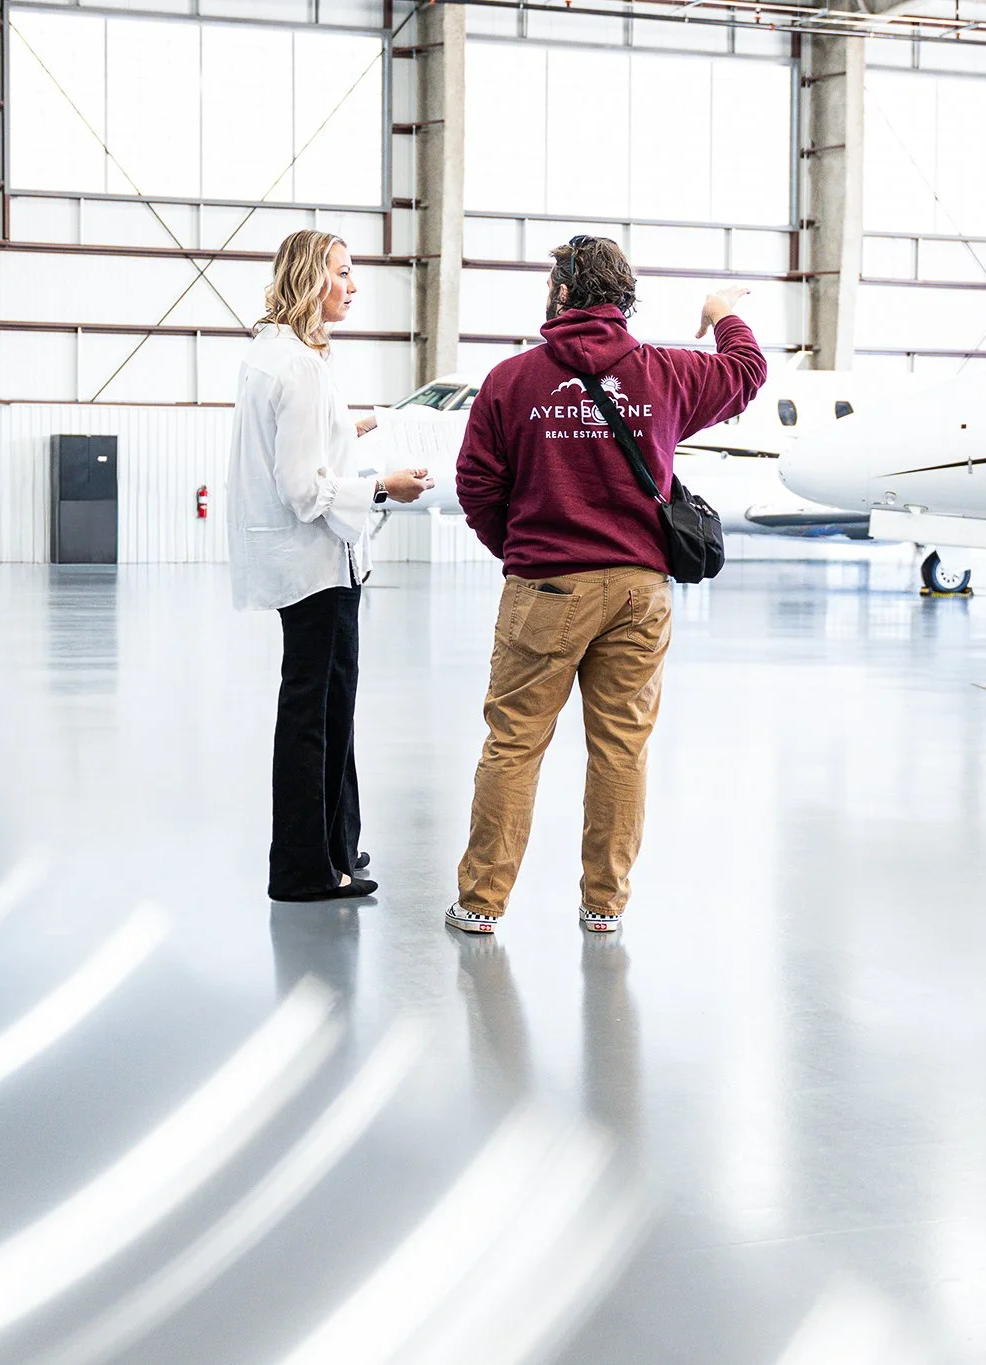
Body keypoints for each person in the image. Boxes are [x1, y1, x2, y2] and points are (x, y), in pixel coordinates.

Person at [449, 235, 766, 935]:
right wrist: (720, 315)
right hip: (637, 590)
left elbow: (476, 482)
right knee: (621, 747)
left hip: (544, 587)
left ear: (561, 293)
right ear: (624, 298)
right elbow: (746, 372)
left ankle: (480, 903)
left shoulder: (510, 380)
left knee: (514, 743)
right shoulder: (666, 373)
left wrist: (525, 549)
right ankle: (604, 906)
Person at [228, 230, 433, 901]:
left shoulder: (277, 355)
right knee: (316, 716)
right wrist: (384, 487)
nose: (352, 285)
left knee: (326, 711)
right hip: (316, 567)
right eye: (342, 273)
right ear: (310, 280)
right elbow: (305, 488)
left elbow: (310, 442)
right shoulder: (301, 368)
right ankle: (304, 868)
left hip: (316, 567)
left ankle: (335, 845)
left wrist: (359, 427)